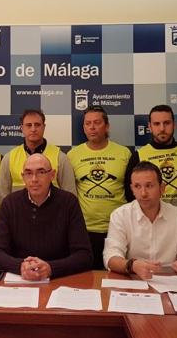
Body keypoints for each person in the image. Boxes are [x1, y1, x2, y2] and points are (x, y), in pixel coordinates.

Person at [0, 154, 93, 280]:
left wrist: (51, 268)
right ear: (23, 177)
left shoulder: (69, 202)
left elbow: (85, 256)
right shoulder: (10, 203)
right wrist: (20, 266)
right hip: (20, 281)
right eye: (28, 173)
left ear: (52, 175)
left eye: (41, 172)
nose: (34, 179)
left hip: (58, 281)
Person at [104, 162, 177, 279]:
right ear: (132, 189)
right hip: (134, 280)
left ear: (162, 188)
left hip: (170, 282)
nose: (143, 193)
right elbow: (111, 256)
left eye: (149, 186)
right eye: (137, 186)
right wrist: (132, 265)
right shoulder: (120, 215)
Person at [67, 105, 131, 269]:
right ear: (83, 127)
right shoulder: (73, 155)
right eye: (88, 123)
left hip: (118, 228)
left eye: (97, 122)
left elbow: (132, 193)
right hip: (85, 230)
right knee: (86, 279)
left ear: (107, 126)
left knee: (118, 277)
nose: (92, 127)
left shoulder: (124, 153)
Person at [124, 105, 177, 214]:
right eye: (157, 124)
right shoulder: (139, 155)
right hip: (150, 221)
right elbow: (130, 193)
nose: (162, 128)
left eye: (167, 123)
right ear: (150, 126)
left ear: (174, 125)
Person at [0, 108, 76, 204]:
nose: (33, 129)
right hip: (19, 217)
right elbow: (3, 197)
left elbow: (70, 197)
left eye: (37, 125)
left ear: (44, 127)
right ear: (22, 128)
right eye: (29, 125)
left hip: (53, 217)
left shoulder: (60, 158)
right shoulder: (9, 158)